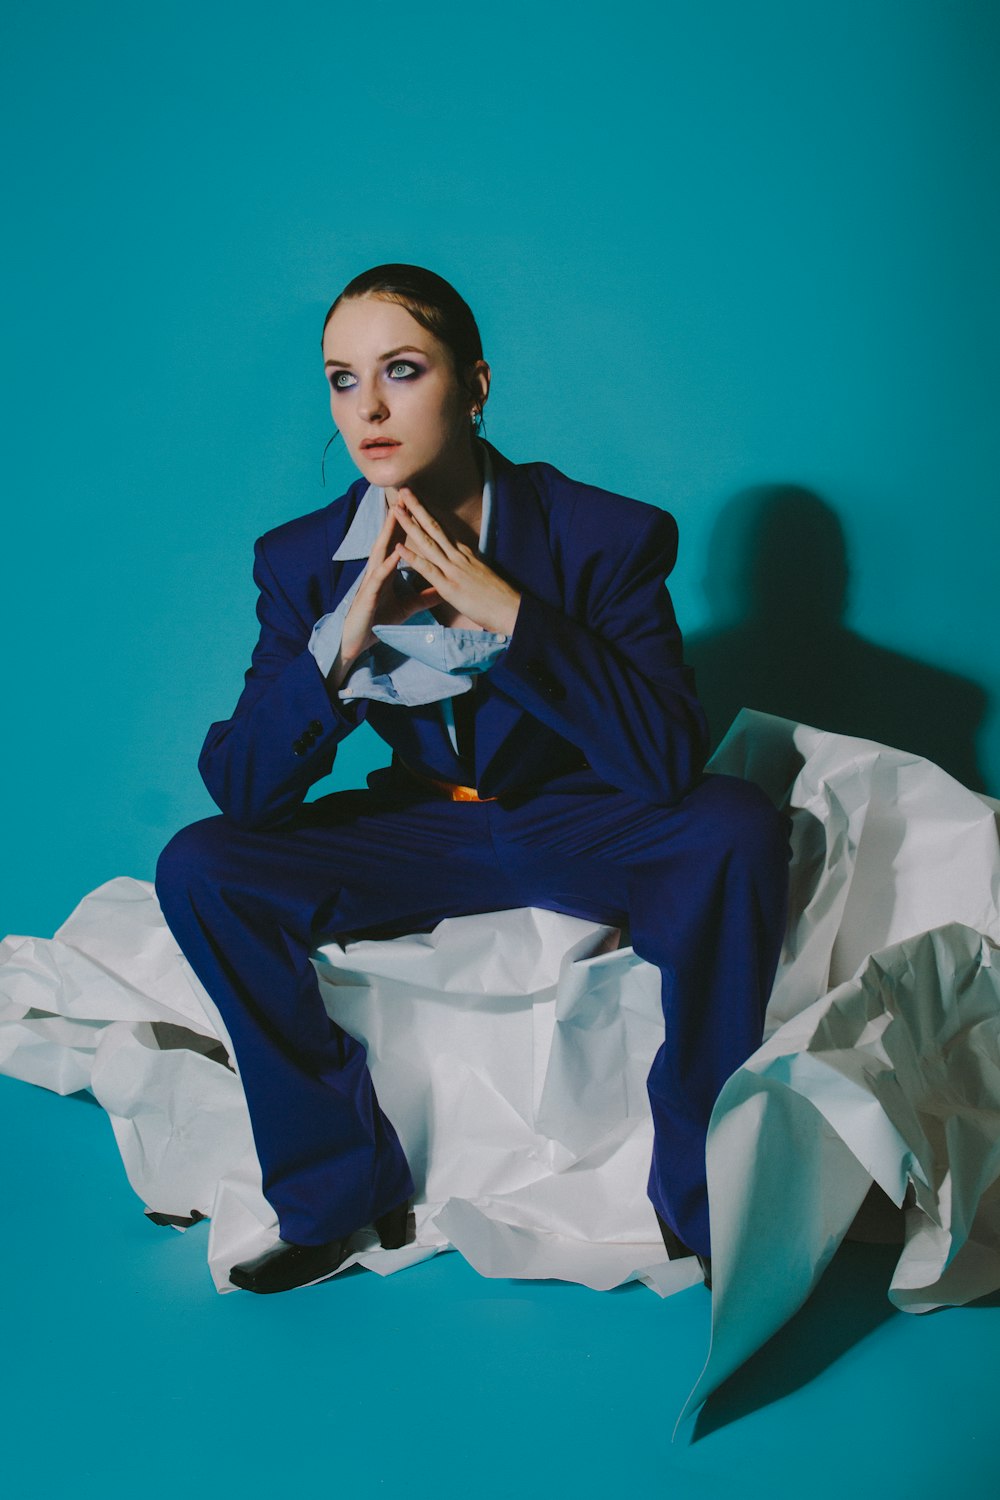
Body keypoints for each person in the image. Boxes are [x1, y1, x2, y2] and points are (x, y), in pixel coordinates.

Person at [155, 264, 790, 1295]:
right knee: (201, 864)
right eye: (341, 379)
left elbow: (664, 759)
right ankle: (331, 1199)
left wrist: (517, 619)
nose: (367, 408)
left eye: (400, 371)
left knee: (732, 826)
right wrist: (338, 647)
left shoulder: (602, 534)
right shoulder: (303, 559)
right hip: (422, 832)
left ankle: (709, 1209)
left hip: (575, 818)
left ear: (474, 384)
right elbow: (246, 789)